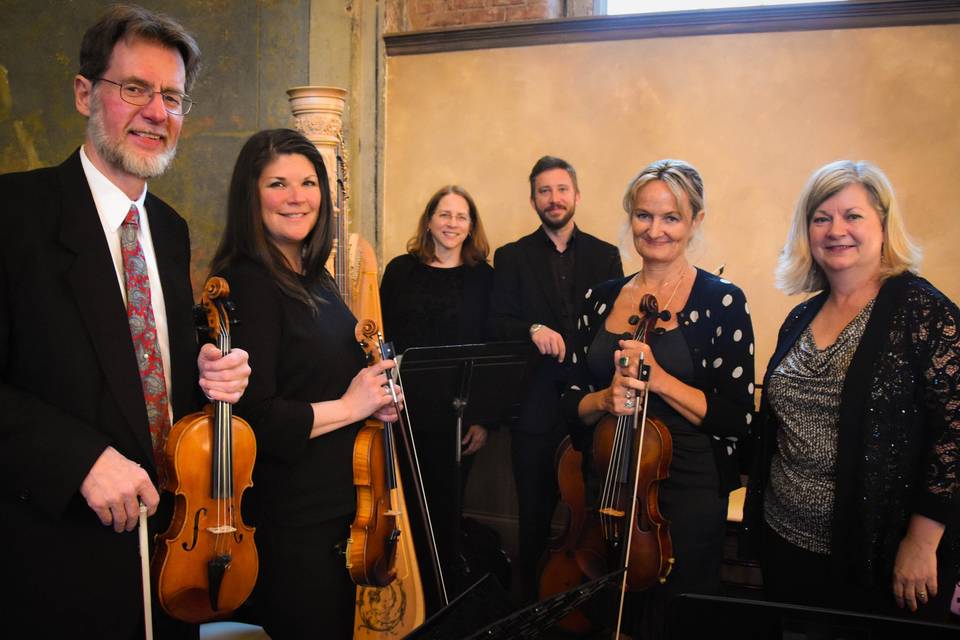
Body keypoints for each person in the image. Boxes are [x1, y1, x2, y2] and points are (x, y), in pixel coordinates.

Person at [0, 6, 250, 639]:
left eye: (172, 96)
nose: (157, 111)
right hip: (55, 559)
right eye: (135, 88)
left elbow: (131, 355)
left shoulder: (168, 229)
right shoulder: (14, 213)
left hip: (170, 557)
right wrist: (78, 458)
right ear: (85, 92)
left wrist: (202, 368)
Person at [744, 160, 960, 622]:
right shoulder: (801, 317)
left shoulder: (924, 313)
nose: (835, 230)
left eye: (852, 216)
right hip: (786, 543)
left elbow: (953, 438)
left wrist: (922, 543)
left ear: (882, 224)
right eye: (821, 218)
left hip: (877, 555)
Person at [209, 128, 401, 639]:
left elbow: (327, 377)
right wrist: (350, 404)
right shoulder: (248, 282)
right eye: (277, 184)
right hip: (292, 519)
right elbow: (254, 420)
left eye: (308, 182)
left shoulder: (310, 276)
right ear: (250, 196)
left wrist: (375, 396)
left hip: (334, 508)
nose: (297, 197)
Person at [560, 159, 755, 637]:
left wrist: (660, 379)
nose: (655, 229)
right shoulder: (601, 297)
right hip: (610, 482)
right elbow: (568, 400)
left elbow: (736, 418)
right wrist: (604, 399)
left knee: (678, 619)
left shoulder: (721, 300)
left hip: (687, 488)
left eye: (671, 217)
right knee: (610, 609)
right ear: (630, 217)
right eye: (644, 215)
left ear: (695, 221)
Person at [489, 155, 623, 601]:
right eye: (544, 191)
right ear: (533, 200)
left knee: (594, 515)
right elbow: (497, 321)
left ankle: (589, 606)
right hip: (535, 406)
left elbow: (615, 328)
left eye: (561, 189)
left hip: (593, 403)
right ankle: (526, 607)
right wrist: (532, 329)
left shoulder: (606, 256)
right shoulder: (511, 257)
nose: (554, 198)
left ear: (576, 196)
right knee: (534, 513)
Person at [380, 185, 495, 592]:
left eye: (461, 217)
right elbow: (384, 339)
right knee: (406, 505)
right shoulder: (399, 270)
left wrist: (482, 420)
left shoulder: (484, 278)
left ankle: (442, 593)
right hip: (404, 413)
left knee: (447, 508)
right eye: (444, 214)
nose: (452, 224)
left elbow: (488, 349)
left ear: (471, 227)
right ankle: (407, 593)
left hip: (458, 416)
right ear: (429, 220)